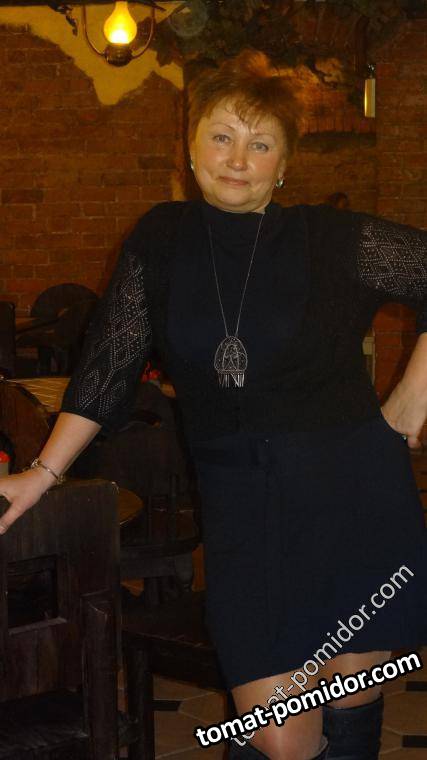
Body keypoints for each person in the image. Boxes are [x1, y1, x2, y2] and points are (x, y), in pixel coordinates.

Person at [0, 49, 426, 760]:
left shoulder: (332, 239)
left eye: (260, 144)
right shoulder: (161, 238)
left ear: (283, 164)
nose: (237, 159)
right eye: (222, 137)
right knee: (280, 735)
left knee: (352, 693)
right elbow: (109, 364)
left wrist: (411, 399)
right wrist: (41, 474)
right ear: (191, 147)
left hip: (354, 494)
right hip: (243, 512)